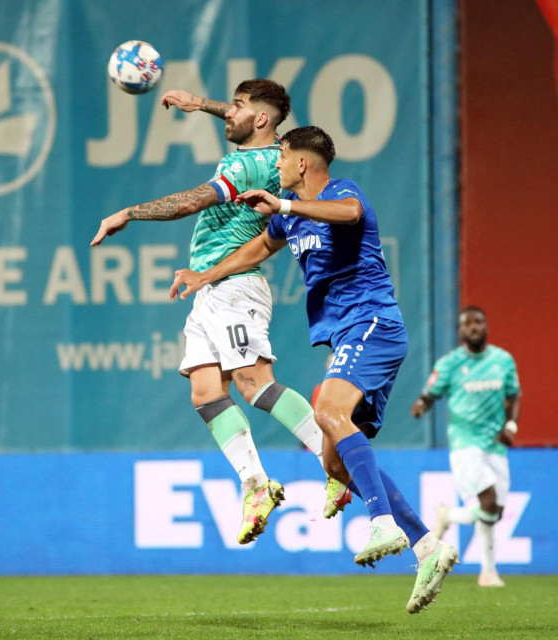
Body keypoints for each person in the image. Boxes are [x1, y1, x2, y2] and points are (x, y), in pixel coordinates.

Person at [169, 125, 458, 614]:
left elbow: (350, 215)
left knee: (327, 408)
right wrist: (206, 276)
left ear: (302, 163)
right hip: (348, 335)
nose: (276, 165)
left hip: (373, 322)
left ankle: (381, 522)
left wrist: (284, 206)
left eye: (281, 156)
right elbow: (256, 250)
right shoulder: (290, 218)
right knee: (334, 462)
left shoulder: (341, 193)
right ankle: (428, 545)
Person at [91, 81, 350, 545]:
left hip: (234, 289)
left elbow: (192, 201)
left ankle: (334, 463)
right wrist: (200, 104)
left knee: (256, 384)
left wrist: (129, 212)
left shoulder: (250, 163)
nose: (228, 114)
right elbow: (246, 120)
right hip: (213, 286)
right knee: (206, 393)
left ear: (262, 120)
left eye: (237, 107)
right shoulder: (268, 152)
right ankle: (256, 484)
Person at [411, 306, 521, 587]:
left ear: (486, 326)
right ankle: (489, 572)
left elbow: (513, 397)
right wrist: (422, 404)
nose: (474, 327)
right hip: (465, 443)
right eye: (467, 324)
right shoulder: (450, 364)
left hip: (495, 444)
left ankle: (449, 518)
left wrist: (510, 426)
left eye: (479, 322)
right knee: (488, 500)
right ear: (460, 331)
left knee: (494, 511)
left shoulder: (503, 360)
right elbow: (430, 393)